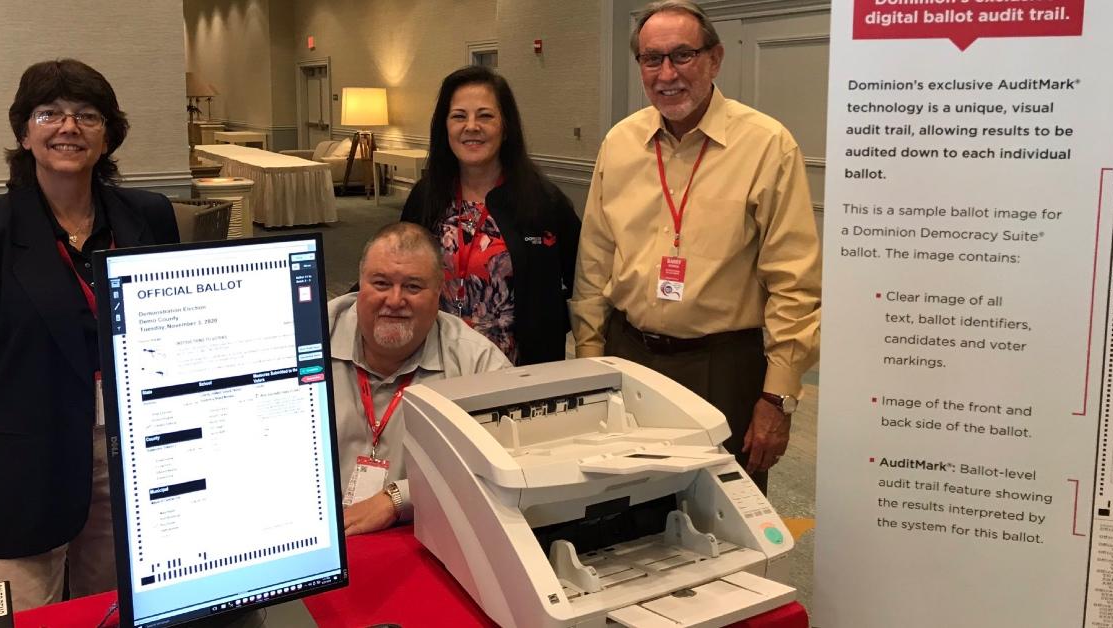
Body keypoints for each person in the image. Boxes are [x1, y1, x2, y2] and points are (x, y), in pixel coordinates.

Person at [0, 59, 180, 610]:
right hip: (21, 462)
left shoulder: (149, 217)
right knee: (28, 612)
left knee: (112, 607)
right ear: (24, 131)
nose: (69, 127)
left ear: (109, 133)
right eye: (50, 114)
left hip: (129, 450)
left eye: (87, 115)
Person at [570, 0, 821, 492]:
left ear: (715, 59)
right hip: (628, 355)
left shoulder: (767, 146)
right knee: (628, 504)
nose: (667, 74)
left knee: (723, 513)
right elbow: (594, 262)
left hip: (723, 366)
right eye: (651, 58)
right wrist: (589, 358)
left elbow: (795, 283)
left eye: (682, 55)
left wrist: (778, 398)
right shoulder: (620, 144)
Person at [330, 222, 511, 536]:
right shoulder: (306, 341)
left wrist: (400, 498)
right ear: (360, 284)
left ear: (439, 293)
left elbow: (507, 459)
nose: (395, 300)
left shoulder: (476, 361)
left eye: (413, 287)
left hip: (422, 534)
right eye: (381, 283)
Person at [401, 65, 581, 366]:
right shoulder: (426, 196)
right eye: (459, 116)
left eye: (485, 115)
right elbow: (398, 269)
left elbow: (582, 280)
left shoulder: (543, 201)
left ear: (506, 126)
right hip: (434, 362)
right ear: (444, 127)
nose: (472, 126)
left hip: (515, 371)